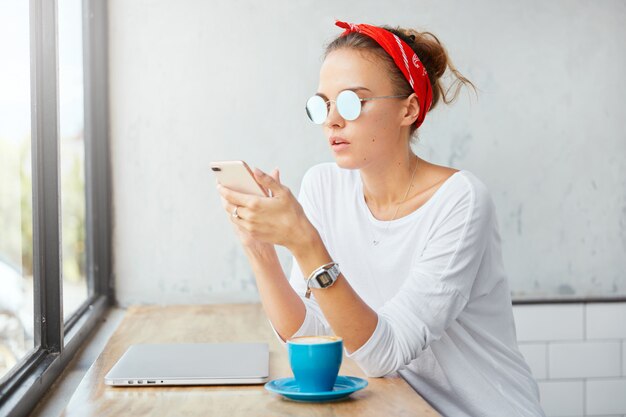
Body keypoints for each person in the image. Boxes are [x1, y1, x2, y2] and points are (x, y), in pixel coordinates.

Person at [217, 20, 545, 417]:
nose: (333, 120)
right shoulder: (323, 186)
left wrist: (305, 242)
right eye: (324, 104)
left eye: (353, 102)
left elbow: (384, 354)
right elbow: (312, 335)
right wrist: (262, 253)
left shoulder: (460, 201)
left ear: (408, 109)